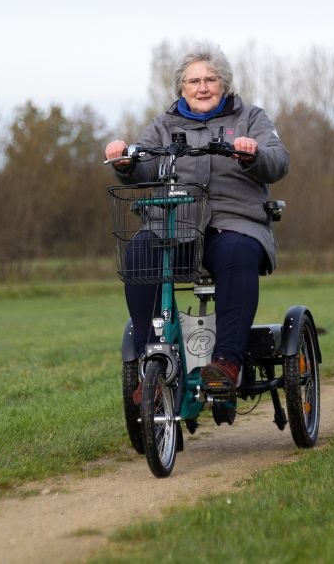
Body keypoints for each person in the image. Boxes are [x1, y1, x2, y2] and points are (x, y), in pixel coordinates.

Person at [105, 42, 289, 399]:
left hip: (234, 222)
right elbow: (143, 164)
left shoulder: (250, 118)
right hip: (173, 226)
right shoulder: (162, 125)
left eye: (210, 79)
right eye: (193, 81)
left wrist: (253, 155)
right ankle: (153, 360)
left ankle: (226, 363)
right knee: (140, 250)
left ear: (224, 84)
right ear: (181, 88)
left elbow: (278, 160)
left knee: (237, 250)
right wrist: (125, 162)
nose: (202, 87)